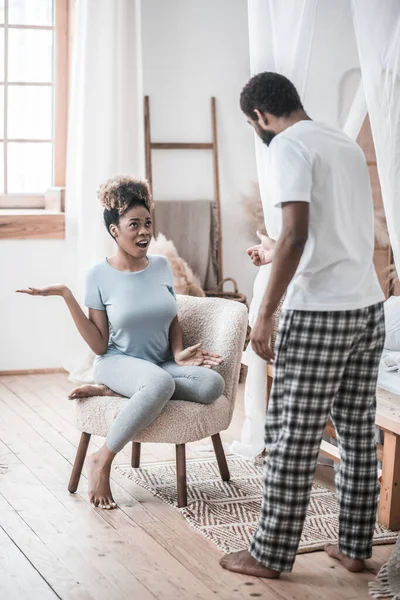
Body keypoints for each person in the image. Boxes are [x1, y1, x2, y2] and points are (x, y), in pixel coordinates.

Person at [221, 72, 385, 578]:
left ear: (262, 117)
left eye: (255, 125)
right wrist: (273, 250)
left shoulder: (288, 145)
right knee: (358, 433)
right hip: (367, 307)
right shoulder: (342, 143)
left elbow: (295, 236)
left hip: (318, 314)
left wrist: (264, 314)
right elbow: (331, 235)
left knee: (292, 434)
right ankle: (355, 548)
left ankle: (269, 555)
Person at [17, 175, 225, 510]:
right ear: (115, 231)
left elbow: (171, 315)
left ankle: (125, 392)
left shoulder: (160, 266)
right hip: (117, 361)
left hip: (159, 364)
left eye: (148, 223)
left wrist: (177, 353)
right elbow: (99, 345)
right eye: (134, 225)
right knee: (157, 383)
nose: (144, 232)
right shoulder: (98, 275)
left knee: (212, 384)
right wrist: (67, 296)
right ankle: (102, 458)